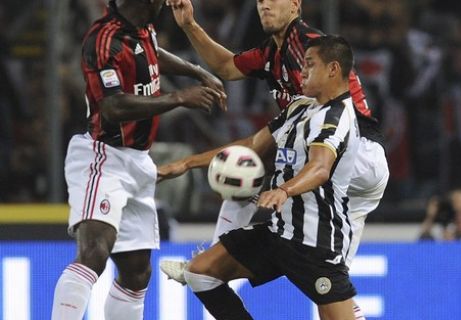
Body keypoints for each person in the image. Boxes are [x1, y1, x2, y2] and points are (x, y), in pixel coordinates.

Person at [161, 1, 388, 314]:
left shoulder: (309, 47)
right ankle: (213, 260)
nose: (264, 4)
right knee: (329, 282)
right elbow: (227, 66)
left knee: (252, 177)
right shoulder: (273, 55)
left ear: (295, 4)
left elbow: (314, 154)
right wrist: (189, 25)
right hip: (333, 159)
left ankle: (217, 256)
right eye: (259, 0)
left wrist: (281, 188)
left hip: (355, 151)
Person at [50, 1, 226, 319]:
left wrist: (197, 71)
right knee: (94, 252)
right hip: (103, 156)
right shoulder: (104, 39)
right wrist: (179, 97)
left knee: (137, 273)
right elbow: (113, 107)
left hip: (138, 160)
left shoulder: (142, 29)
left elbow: (152, 55)